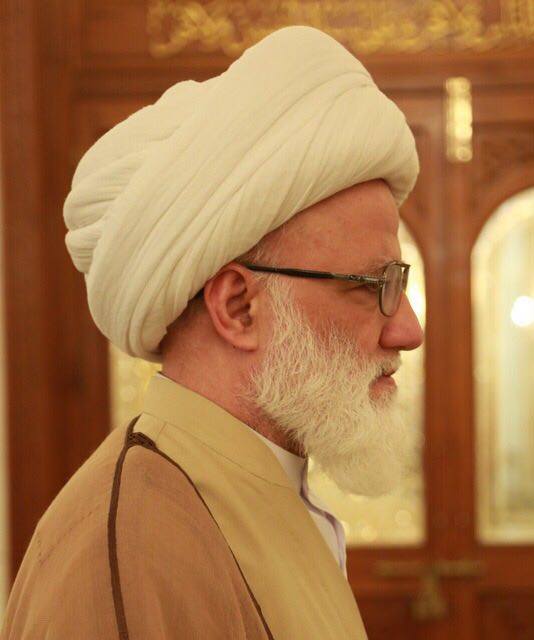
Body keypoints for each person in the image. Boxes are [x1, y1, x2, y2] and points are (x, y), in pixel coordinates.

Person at [1, 26, 422, 639]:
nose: (408, 329)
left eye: (399, 281)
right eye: (373, 284)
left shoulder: (255, 490)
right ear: (238, 308)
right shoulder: (135, 547)